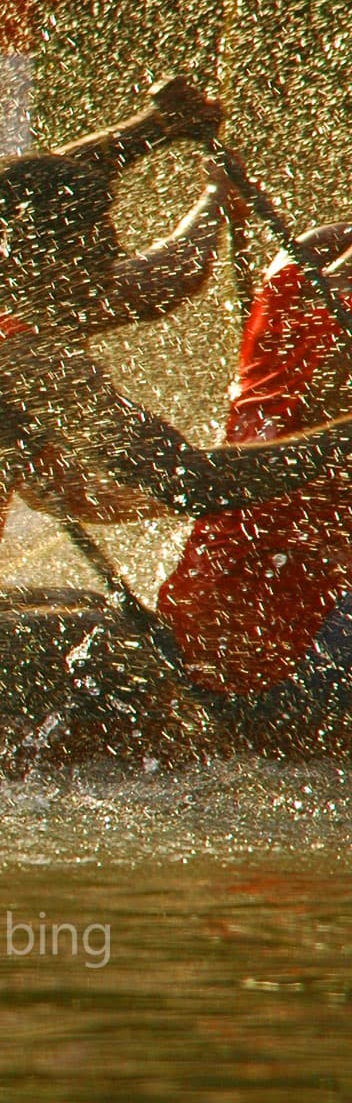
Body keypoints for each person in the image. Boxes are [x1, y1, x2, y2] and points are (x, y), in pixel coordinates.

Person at [0, 80, 352, 774]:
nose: (111, 261)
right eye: (97, 251)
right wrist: (335, 447)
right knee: (129, 648)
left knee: (77, 601)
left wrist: (153, 128)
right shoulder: (30, 363)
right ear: (43, 261)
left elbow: (23, 198)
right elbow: (186, 480)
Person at [157, 224, 352, 757]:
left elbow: (315, 242)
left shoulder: (288, 281)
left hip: (189, 630)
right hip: (285, 662)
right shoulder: (331, 401)